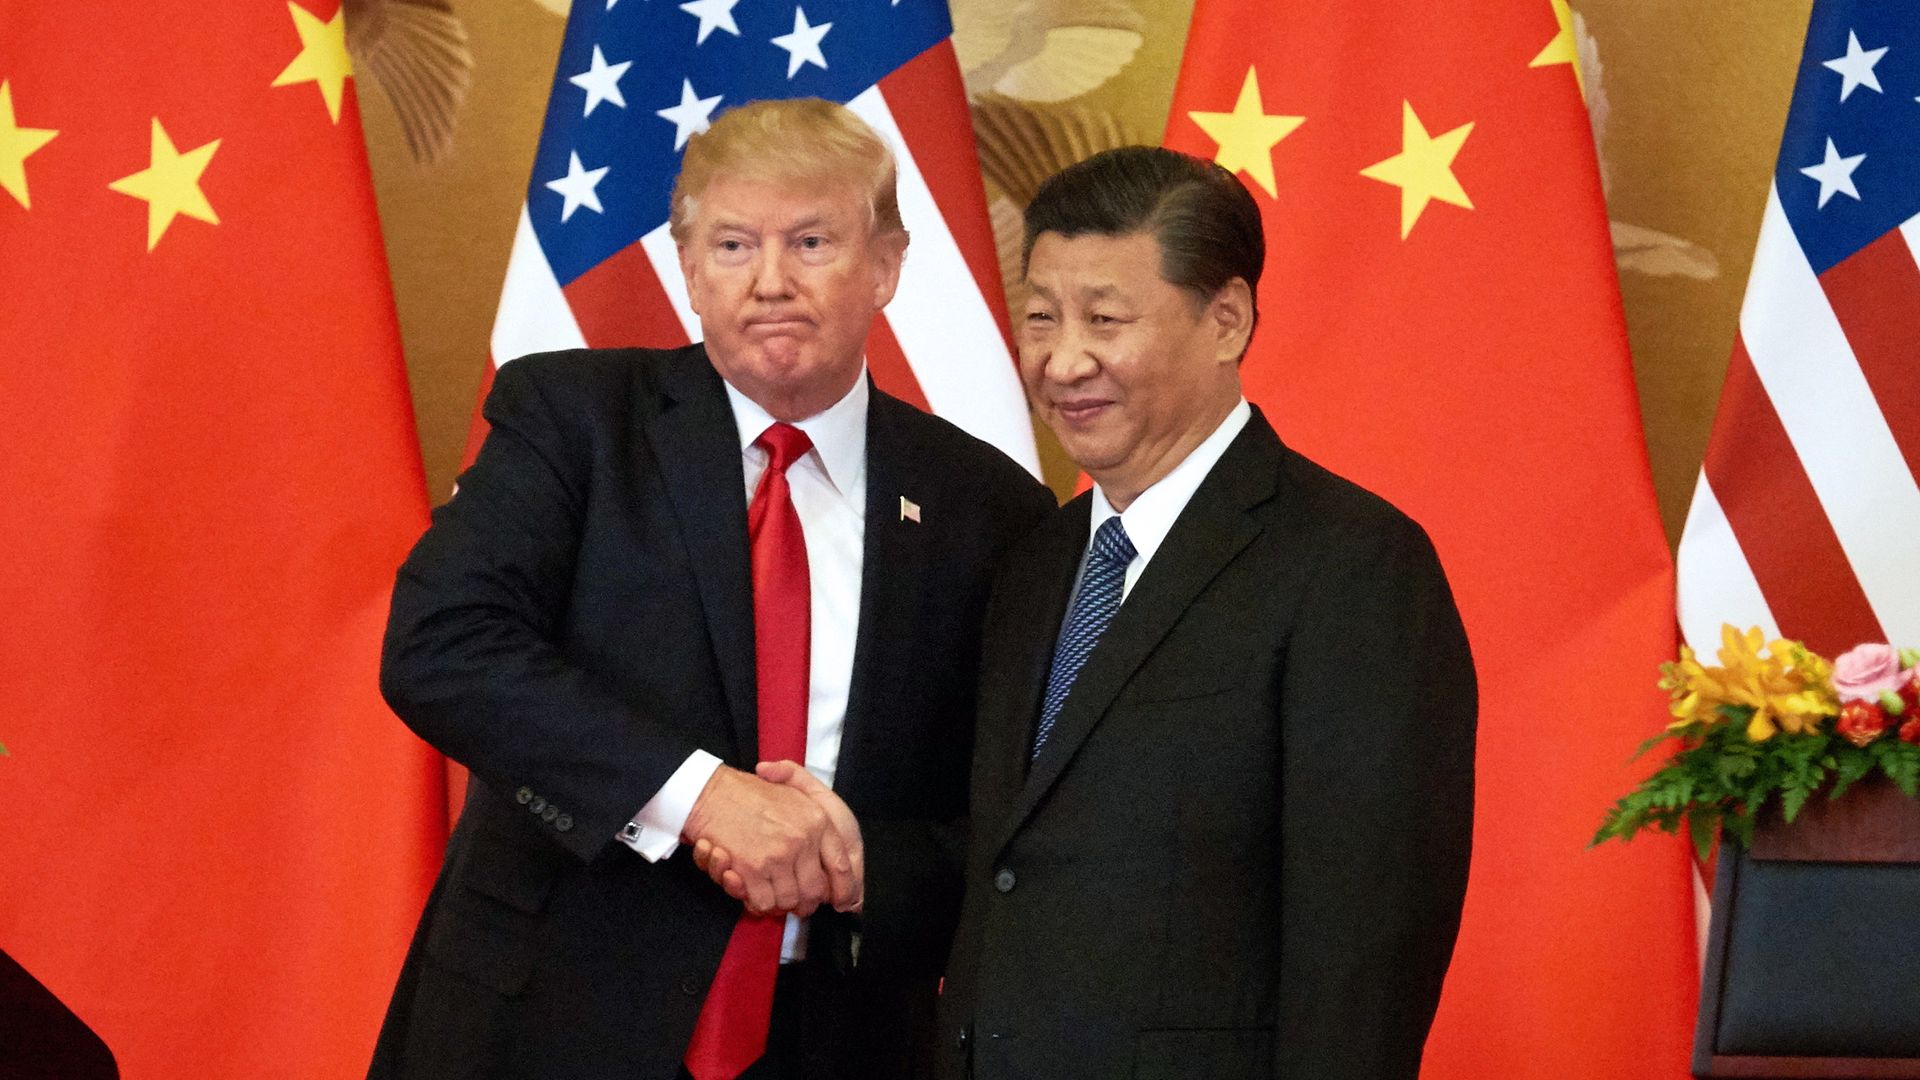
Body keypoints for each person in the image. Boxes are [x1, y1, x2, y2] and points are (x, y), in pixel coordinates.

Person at [367, 98, 1055, 1080]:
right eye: (733, 245)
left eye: (811, 241)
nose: (770, 281)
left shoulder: (988, 510)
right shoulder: (575, 421)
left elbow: (1011, 818)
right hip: (551, 1021)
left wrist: (861, 861)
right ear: (689, 271)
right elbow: (442, 647)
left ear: (887, 265)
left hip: (837, 1038)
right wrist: (700, 799)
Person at [935, 146, 1477, 1080]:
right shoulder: (1034, 564)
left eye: (1105, 319)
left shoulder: (1353, 564)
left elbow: (1366, 948)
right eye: (1040, 319)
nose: (1064, 361)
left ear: (1226, 319)